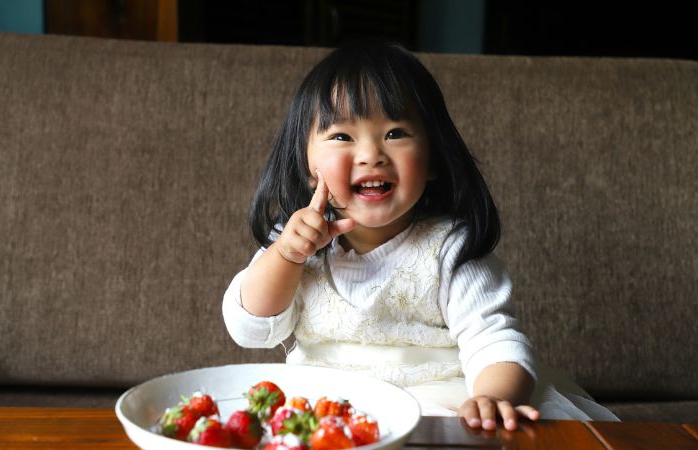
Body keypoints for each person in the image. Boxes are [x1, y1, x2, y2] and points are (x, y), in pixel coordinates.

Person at [223, 42, 618, 430]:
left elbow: (494, 340)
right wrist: (286, 256)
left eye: (395, 133)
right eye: (343, 137)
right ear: (308, 166)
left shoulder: (449, 248)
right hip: (328, 411)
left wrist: (493, 397)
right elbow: (250, 329)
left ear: (432, 161)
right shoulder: (292, 243)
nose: (371, 154)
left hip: (434, 405)